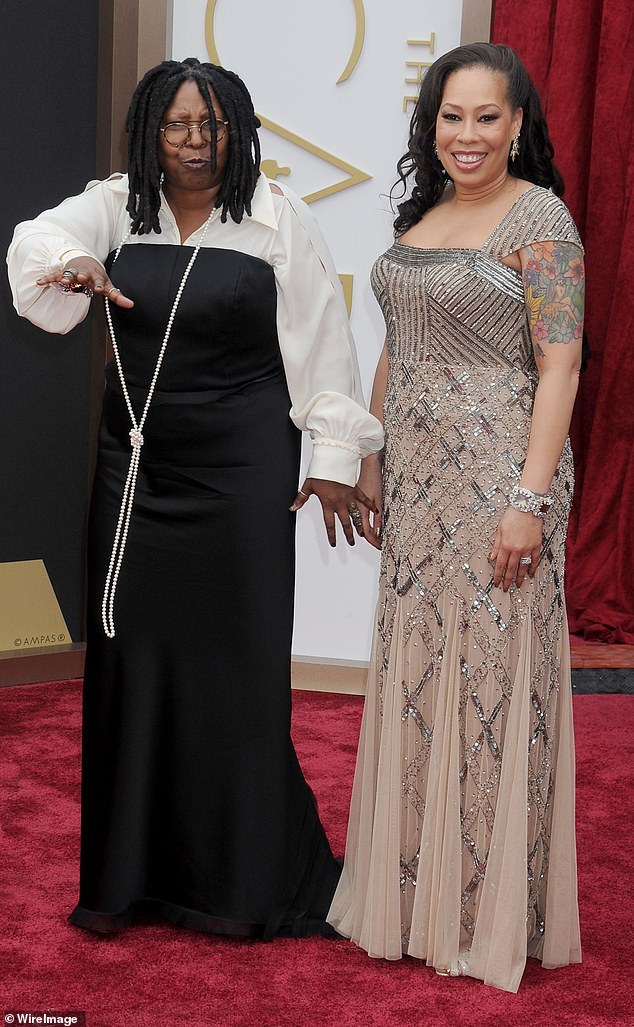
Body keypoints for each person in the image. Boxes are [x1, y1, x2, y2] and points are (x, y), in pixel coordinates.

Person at [7, 58, 383, 940]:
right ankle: (134, 878)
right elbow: (34, 241)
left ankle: (244, 879)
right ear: (149, 131)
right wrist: (70, 265)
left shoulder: (276, 218)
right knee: (131, 661)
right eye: (176, 125)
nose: (194, 142)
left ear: (238, 131)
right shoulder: (116, 204)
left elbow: (322, 344)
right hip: (135, 467)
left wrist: (333, 454)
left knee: (236, 667)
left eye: (212, 126)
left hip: (244, 466)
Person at [327, 42, 583, 992]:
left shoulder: (541, 220)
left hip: (498, 479)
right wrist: (370, 459)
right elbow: (400, 346)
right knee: (420, 669)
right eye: (451, 117)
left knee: (489, 679)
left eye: (487, 117)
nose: (467, 135)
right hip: (419, 483)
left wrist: (529, 499)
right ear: (429, 124)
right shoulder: (422, 214)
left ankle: (482, 912)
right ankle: (409, 896)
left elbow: (560, 364)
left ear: (519, 124)